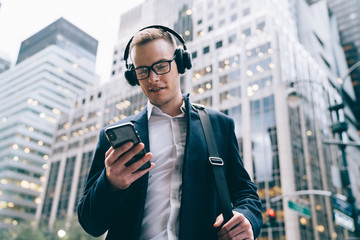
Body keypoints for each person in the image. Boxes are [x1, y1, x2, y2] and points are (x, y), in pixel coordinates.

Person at [78, 25, 262, 240]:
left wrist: (247, 217)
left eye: (161, 66)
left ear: (180, 63)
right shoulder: (113, 137)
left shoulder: (219, 125)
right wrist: (110, 184)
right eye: (142, 71)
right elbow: (91, 224)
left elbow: (245, 192)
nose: (152, 78)